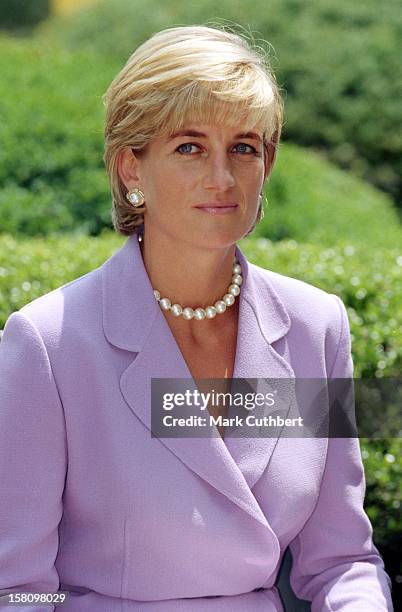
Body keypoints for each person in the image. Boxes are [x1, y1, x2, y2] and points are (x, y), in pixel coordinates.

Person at [0, 24, 393, 612]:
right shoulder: (49, 344)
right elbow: (18, 592)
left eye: (244, 146)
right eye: (189, 147)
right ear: (132, 168)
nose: (222, 178)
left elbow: (342, 562)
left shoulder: (317, 327)